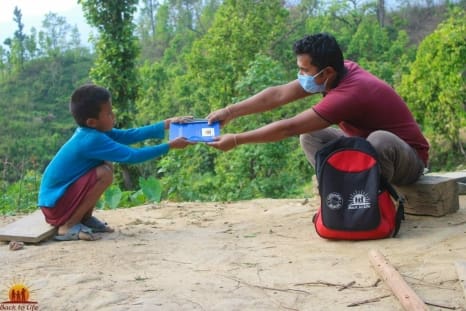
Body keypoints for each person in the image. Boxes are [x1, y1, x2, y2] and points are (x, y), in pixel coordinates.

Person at [207, 32, 429, 187]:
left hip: (407, 160)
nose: (301, 76)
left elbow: (288, 127)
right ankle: (340, 187)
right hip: (364, 146)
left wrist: (236, 139)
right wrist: (229, 112)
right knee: (311, 136)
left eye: (305, 70)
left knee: (380, 140)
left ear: (326, 72)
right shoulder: (338, 72)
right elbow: (278, 94)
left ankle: (369, 196)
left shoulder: (351, 93)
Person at [38, 84, 193, 241]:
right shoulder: (92, 139)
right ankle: (69, 226)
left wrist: (166, 124)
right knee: (104, 173)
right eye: (109, 113)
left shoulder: (93, 132)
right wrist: (170, 146)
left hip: (55, 201)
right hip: (55, 205)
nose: (114, 116)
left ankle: (84, 218)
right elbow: (133, 156)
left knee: (106, 166)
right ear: (92, 122)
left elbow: (129, 135)